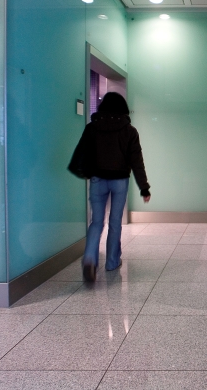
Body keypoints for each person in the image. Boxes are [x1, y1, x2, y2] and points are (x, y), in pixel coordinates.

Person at [68, 92, 150, 281]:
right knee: (115, 222)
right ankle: (112, 262)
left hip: (97, 179)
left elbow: (82, 152)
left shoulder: (91, 128)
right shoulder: (130, 131)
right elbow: (137, 161)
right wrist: (144, 187)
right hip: (120, 180)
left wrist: (86, 171)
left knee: (96, 222)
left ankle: (89, 259)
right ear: (123, 108)